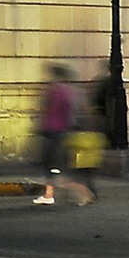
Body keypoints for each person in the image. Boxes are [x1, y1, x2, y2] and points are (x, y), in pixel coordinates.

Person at [32, 64, 94, 206]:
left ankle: (83, 191)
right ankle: (49, 195)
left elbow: (48, 110)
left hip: (52, 131)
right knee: (52, 166)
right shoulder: (69, 91)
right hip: (62, 131)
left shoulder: (54, 91)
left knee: (52, 166)